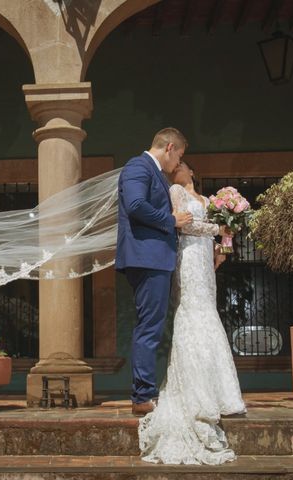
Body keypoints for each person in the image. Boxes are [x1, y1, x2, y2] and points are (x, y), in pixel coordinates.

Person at [137, 160, 246, 465]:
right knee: (192, 313)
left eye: (181, 165)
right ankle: (192, 388)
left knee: (208, 314)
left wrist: (223, 246)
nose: (176, 169)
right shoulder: (174, 191)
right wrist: (217, 228)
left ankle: (215, 387)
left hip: (206, 261)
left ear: (191, 171)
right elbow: (182, 224)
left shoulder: (208, 200)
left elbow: (226, 232)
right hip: (186, 256)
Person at [115, 127, 193, 416]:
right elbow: (135, 205)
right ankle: (142, 396)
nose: (177, 165)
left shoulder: (152, 171)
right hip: (147, 258)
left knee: (152, 325)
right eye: (179, 157)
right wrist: (170, 220)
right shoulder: (139, 166)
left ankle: (144, 393)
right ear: (170, 147)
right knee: (149, 326)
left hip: (153, 258)